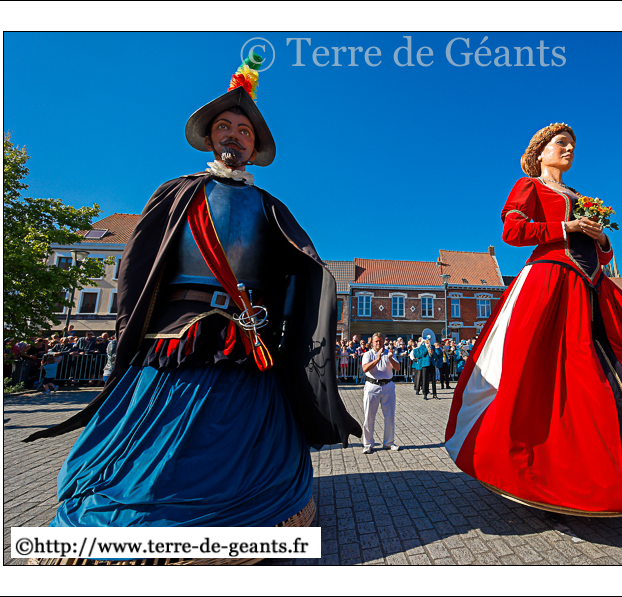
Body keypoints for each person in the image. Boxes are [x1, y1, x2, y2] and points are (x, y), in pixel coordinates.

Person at [25, 55, 360, 559]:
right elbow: (140, 267)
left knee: (248, 432)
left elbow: (290, 276)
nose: (233, 136)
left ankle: (248, 500)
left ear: (254, 147)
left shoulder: (270, 207)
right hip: (178, 335)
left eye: (243, 131)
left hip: (246, 340)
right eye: (224, 127)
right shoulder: (178, 193)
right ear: (209, 137)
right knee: (152, 435)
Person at [445, 123, 622, 517]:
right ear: (540, 152)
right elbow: (513, 231)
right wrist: (567, 226)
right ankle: (530, 466)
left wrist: (600, 237)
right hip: (551, 279)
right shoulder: (529, 186)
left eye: (573, 146)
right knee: (542, 372)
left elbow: (605, 254)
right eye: (561, 143)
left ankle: (618, 470)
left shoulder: (581, 198)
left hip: (595, 285)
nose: (569, 150)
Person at [361, 332, 401, 454]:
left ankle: (389, 442)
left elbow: (397, 368)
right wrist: (378, 358)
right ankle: (368, 444)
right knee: (369, 416)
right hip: (372, 386)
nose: (379, 343)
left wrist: (390, 358)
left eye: (380, 341)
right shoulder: (368, 354)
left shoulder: (389, 353)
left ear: (383, 342)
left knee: (389, 416)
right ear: (372, 343)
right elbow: (365, 368)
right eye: (376, 341)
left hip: (388, 386)